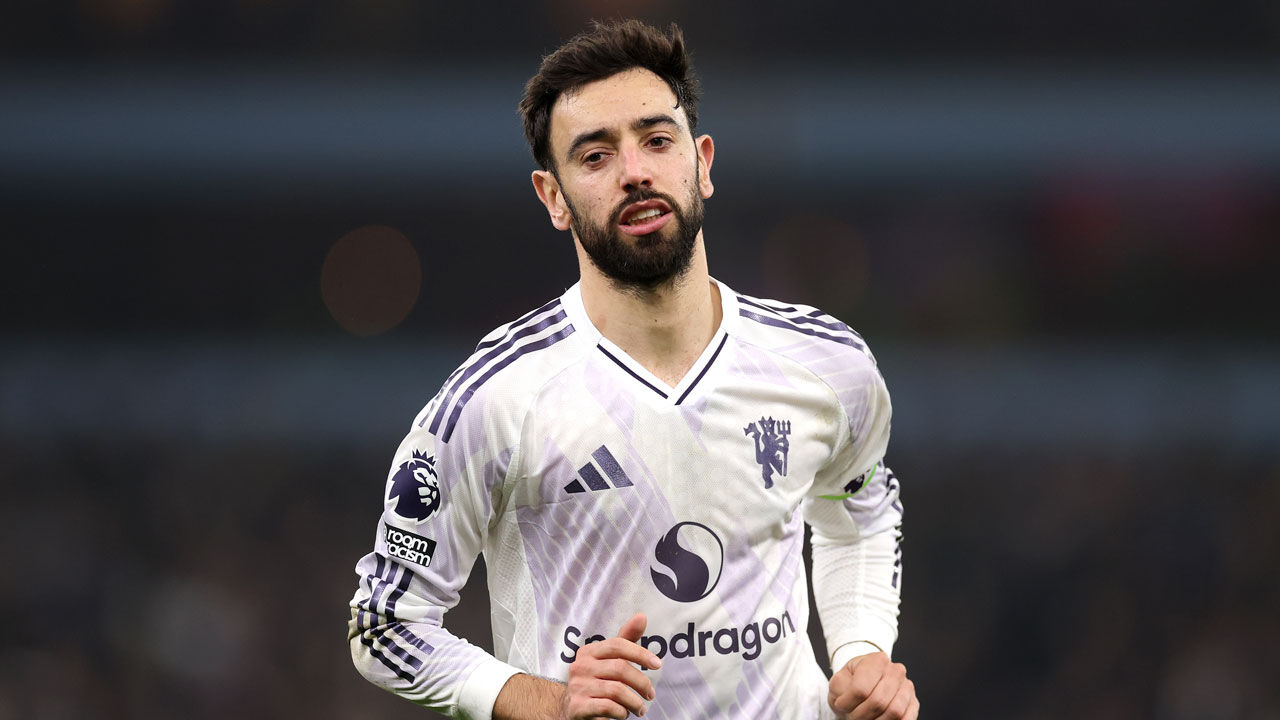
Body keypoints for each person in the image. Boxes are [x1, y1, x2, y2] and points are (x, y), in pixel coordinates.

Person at [348, 19, 917, 720]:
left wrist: (861, 650)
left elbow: (858, 511)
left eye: (657, 140)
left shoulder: (826, 365)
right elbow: (385, 624)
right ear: (553, 198)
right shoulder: (494, 399)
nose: (635, 171)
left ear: (701, 162)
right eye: (595, 156)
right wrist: (550, 702)